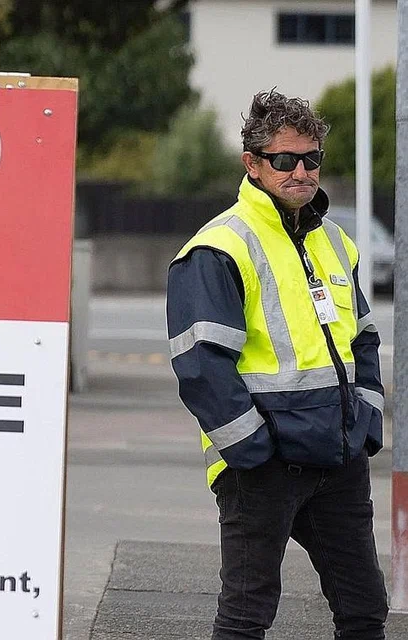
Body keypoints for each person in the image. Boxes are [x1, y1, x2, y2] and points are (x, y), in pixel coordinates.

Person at [166, 89, 389, 639]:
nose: (300, 172)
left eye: (310, 158)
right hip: (263, 468)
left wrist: (365, 424)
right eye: (284, 160)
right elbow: (200, 365)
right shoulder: (220, 245)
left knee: (365, 611)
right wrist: (252, 452)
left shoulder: (335, 241)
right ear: (253, 164)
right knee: (247, 617)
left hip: (337, 459)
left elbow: (362, 339)